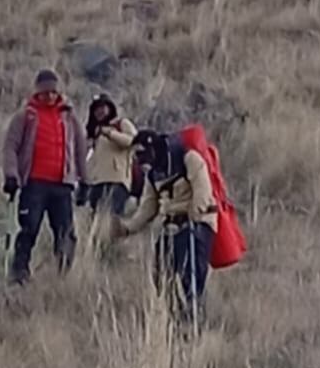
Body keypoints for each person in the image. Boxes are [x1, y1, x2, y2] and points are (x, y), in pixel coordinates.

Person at [114, 129, 218, 328]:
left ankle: (193, 323)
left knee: (192, 279)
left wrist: (194, 218)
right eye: (137, 155)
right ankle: (174, 319)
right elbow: (148, 207)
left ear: (154, 148)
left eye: (143, 154)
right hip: (171, 227)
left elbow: (202, 191)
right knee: (161, 275)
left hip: (196, 227)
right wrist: (126, 228)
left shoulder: (189, 159)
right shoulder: (153, 174)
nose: (141, 160)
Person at [2, 68, 88, 285]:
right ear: (37, 92)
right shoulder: (26, 116)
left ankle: (64, 275)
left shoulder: (69, 117)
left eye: (53, 91)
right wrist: (11, 175)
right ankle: (19, 273)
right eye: (45, 92)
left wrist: (84, 181)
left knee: (65, 232)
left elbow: (80, 148)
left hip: (62, 184)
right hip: (34, 184)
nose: (49, 96)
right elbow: (10, 147)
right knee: (28, 228)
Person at [79, 93, 138, 217]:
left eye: (102, 107)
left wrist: (110, 133)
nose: (99, 111)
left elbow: (132, 141)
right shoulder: (94, 133)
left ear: (110, 108)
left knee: (113, 217)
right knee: (95, 219)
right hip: (96, 182)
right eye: (96, 109)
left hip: (117, 180)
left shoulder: (121, 124)